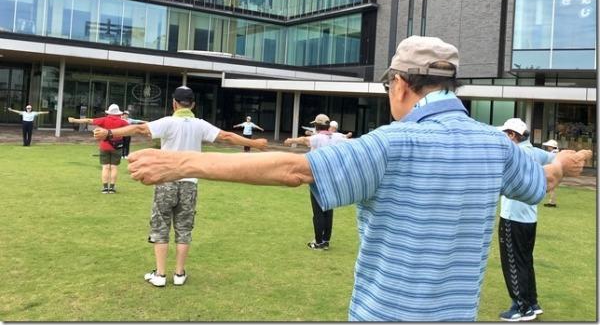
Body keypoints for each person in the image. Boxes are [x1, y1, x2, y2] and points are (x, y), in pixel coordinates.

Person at [126, 36, 591, 321]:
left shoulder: (392, 142)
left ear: (401, 85)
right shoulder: (495, 144)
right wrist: (563, 164)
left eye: (390, 85)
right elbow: (541, 180)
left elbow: (296, 170)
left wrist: (182, 163)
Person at [93, 86, 268, 288]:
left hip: (165, 180)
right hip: (190, 182)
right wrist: (255, 145)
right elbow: (227, 136)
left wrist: (109, 132)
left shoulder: (168, 122)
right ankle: (179, 273)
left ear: (174, 103)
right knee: (184, 228)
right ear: (193, 104)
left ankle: (159, 274)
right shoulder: (199, 124)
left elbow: (140, 129)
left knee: (161, 226)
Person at [497, 118, 556, 321]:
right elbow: (556, 159)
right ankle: (532, 302)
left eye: (506, 133)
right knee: (525, 261)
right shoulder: (535, 152)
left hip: (512, 217)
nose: (504, 137)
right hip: (530, 219)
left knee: (512, 263)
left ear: (513, 135)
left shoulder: (515, 154)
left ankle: (521, 308)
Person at [284, 114, 346, 250]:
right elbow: (348, 139)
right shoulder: (336, 136)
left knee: (318, 212)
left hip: (318, 178)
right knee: (329, 210)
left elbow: (304, 140)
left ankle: (318, 242)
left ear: (317, 125)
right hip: (332, 178)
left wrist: (290, 140)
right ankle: (325, 240)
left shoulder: (318, 138)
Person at [68, 104, 129, 194]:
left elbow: (88, 120)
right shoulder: (122, 122)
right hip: (117, 147)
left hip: (105, 145)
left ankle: (105, 188)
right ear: (118, 113)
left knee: (105, 167)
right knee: (114, 167)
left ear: (109, 112)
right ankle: (112, 188)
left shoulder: (104, 119)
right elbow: (132, 128)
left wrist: (74, 120)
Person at [542, 139, 560, 207]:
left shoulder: (553, 154)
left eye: (549, 146)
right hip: (555, 171)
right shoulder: (556, 153)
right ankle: (551, 201)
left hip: (552, 171)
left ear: (552, 147)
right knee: (551, 187)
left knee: (550, 187)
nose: (548, 147)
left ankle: (552, 202)